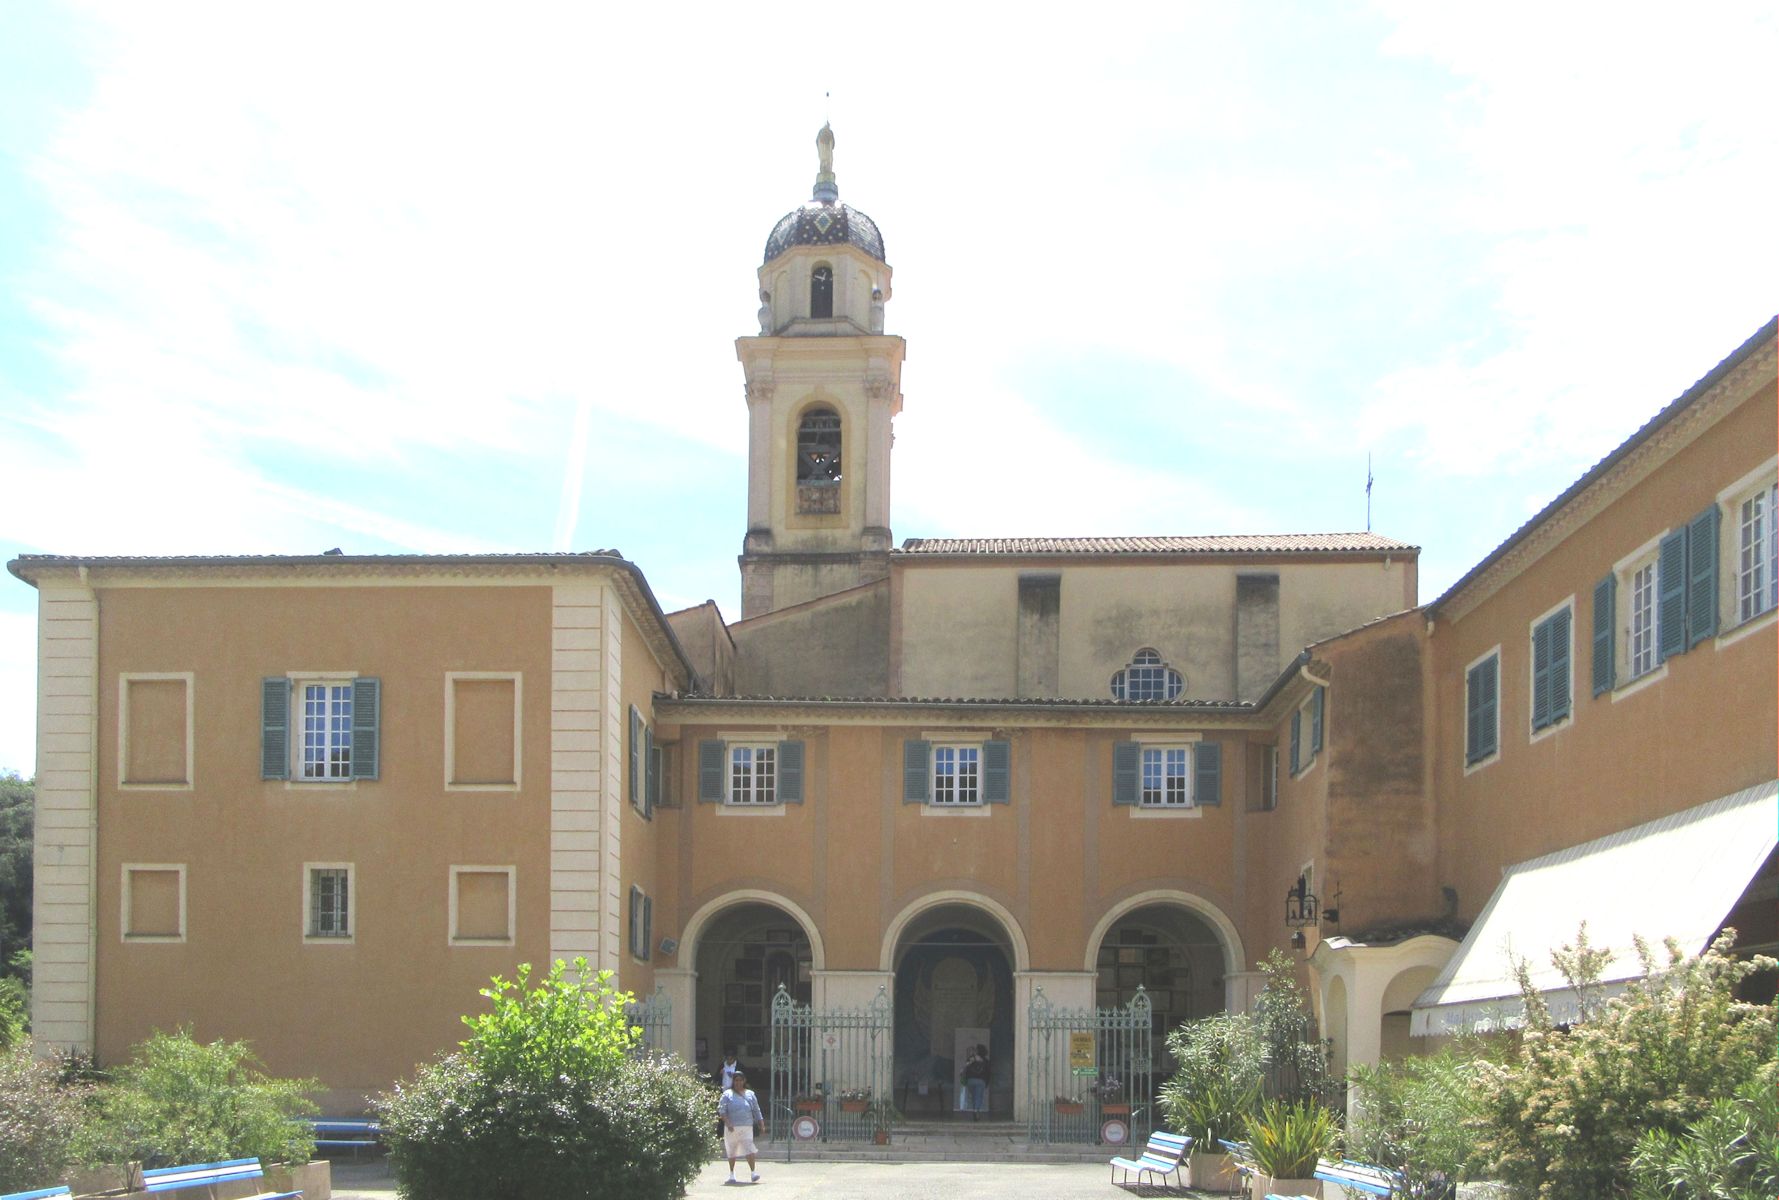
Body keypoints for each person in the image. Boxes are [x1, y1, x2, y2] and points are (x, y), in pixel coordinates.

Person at [718, 1068, 764, 1184]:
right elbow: (722, 1110)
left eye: (740, 1080)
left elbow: (756, 1110)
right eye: (736, 1080)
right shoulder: (727, 1094)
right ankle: (732, 1174)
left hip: (747, 1126)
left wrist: (761, 1124)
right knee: (732, 1150)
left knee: (749, 1148)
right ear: (733, 1082)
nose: (738, 1083)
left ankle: (753, 1172)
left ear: (744, 1081)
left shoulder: (750, 1094)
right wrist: (728, 1123)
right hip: (732, 1127)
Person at [961, 1043, 990, 1120]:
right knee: (979, 1096)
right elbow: (988, 1072)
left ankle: (975, 1110)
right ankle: (976, 1111)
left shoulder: (971, 1058)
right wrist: (987, 1082)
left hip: (971, 1080)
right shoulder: (986, 1061)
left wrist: (965, 1079)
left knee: (974, 1096)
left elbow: (966, 1068)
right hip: (981, 1081)